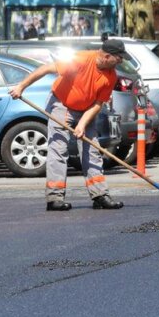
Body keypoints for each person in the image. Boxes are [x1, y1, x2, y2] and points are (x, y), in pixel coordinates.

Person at [9, 39, 127, 212]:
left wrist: (82, 124)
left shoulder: (111, 75)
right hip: (62, 104)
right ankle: (54, 198)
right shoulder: (80, 60)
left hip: (86, 109)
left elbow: (98, 103)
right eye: (118, 58)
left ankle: (100, 195)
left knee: (92, 150)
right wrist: (21, 87)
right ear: (107, 56)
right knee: (58, 149)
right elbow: (45, 68)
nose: (121, 61)